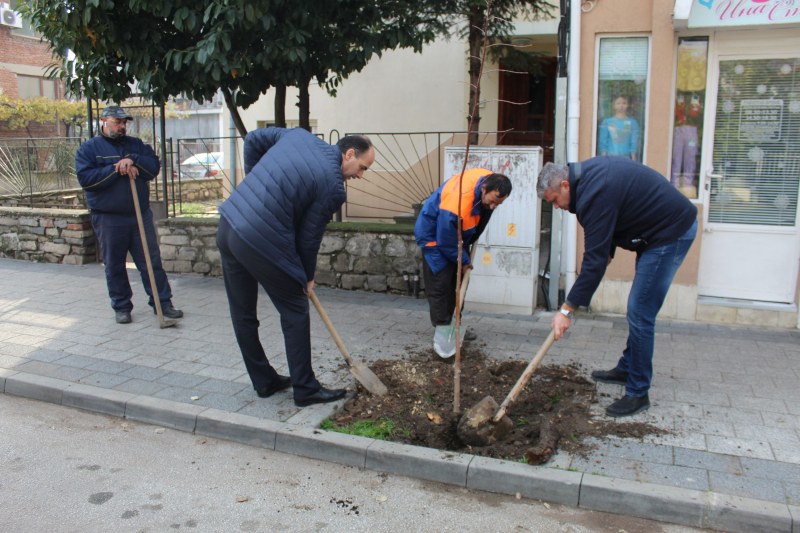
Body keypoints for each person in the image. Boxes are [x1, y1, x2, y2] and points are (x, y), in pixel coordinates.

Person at [216, 127, 375, 406]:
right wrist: (306, 276)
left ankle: (264, 381)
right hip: (258, 238)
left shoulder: (299, 136)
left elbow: (253, 139)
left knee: (242, 312)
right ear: (349, 154)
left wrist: (255, 182)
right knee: (296, 310)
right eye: (362, 167)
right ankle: (306, 389)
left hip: (228, 225)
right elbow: (309, 237)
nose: (360, 176)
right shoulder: (333, 187)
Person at [537, 158, 697, 417]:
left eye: (554, 200)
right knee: (638, 309)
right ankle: (627, 368)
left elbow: (594, 260)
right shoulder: (586, 182)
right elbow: (611, 216)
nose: (556, 207)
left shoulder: (593, 192)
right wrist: (606, 250)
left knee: (640, 311)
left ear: (565, 185)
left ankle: (638, 392)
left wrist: (566, 311)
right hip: (654, 233)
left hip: (670, 233)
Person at [76, 105, 183, 324]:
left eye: (125, 122)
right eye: (118, 122)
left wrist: (133, 159)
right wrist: (117, 168)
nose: (122, 126)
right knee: (115, 264)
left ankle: (163, 304)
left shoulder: (135, 145)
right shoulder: (89, 149)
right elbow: (87, 180)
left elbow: (153, 167)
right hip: (108, 218)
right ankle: (122, 307)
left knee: (151, 261)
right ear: (104, 121)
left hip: (139, 215)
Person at [414, 169, 512, 357]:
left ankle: (455, 325)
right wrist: (464, 260)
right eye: (492, 201)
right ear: (484, 189)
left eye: (497, 204)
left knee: (458, 283)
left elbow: (476, 219)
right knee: (442, 283)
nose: (492, 207)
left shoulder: (490, 183)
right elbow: (445, 240)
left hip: (456, 236)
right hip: (434, 236)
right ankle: (443, 329)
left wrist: (467, 246)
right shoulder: (457, 203)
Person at [598, 95, 640, 160]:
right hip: (611, 158)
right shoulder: (607, 122)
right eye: (618, 103)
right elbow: (603, 141)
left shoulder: (632, 123)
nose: (621, 106)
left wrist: (633, 157)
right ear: (614, 105)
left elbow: (634, 141)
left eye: (624, 103)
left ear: (628, 105)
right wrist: (603, 158)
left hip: (626, 158)